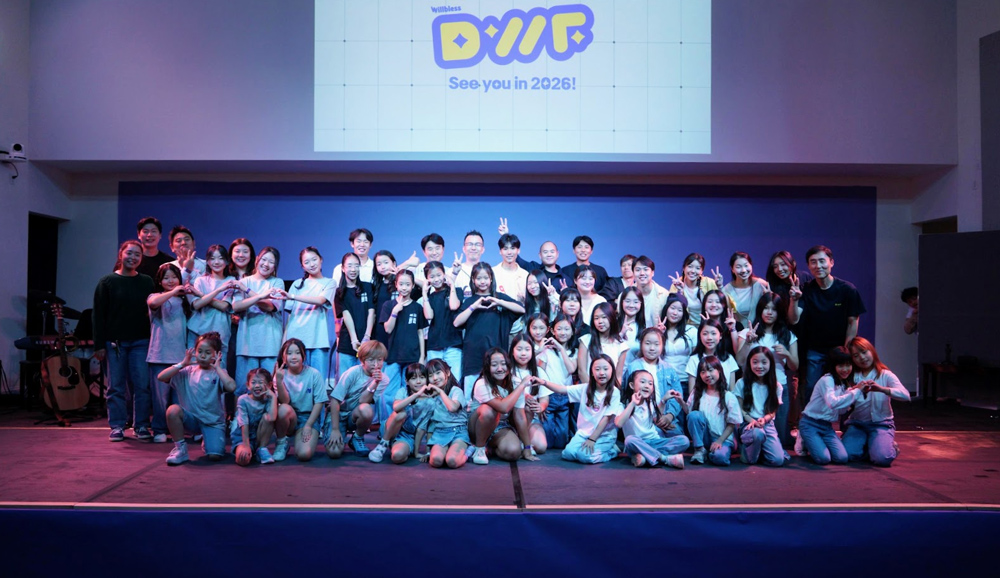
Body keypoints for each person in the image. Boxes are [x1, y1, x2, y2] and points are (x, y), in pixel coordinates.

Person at [788, 245, 866, 410]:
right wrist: (794, 300)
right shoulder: (806, 289)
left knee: (843, 389)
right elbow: (794, 319)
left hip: (840, 349)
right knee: (811, 388)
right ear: (809, 266)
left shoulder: (847, 290)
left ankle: (845, 423)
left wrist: (846, 351)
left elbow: (853, 322)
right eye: (813, 262)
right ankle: (811, 421)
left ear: (831, 262)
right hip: (815, 350)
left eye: (822, 261)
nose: (818, 266)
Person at [93, 240, 155, 442]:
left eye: (137, 254)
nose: (133, 257)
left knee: (142, 386)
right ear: (121, 254)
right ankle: (117, 425)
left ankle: (141, 425)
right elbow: (98, 315)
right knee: (116, 386)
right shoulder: (107, 282)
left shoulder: (147, 282)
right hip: (115, 343)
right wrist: (99, 345)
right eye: (129, 253)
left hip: (141, 342)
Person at [157, 332, 236, 464]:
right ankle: (180, 449)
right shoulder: (187, 372)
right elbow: (161, 377)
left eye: (208, 352)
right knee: (173, 410)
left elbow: (231, 387)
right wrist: (182, 364)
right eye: (200, 351)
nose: (203, 355)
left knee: (215, 456)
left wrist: (218, 368)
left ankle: (208, 439)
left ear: (216, 354)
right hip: (191, 420)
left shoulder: (218, 373)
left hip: (212, 422)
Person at [453, 262, 525, 390]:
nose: (482, 281)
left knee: (499, 395)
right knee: (471, 397)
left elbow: (521, 309)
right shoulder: (470, 301)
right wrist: (474, 306)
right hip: (473, 359)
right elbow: (456, 322)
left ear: (491, 278)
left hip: (497, 360)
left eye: (485, 278)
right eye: (479, 278)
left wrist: (499, 302)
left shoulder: (499, 298)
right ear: (473, 280)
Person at [542, 354, 624, 464]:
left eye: (605, 369)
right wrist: (544, 382)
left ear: (612, 371)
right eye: (597, 369)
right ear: (592, 372)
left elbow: (606, 419)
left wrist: (592, 439)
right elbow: (562, 389)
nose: (601, 373)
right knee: (568, 454)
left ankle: (612, 451)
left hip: (604, 435)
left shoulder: (614, 392)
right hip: (584, 434)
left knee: (585, 457)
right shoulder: (585, 388)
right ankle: (593, 449)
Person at [844, 337, 910, 467]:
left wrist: (882, 389)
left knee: (882, 458)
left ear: (872, 351)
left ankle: (888, 447)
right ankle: (872, 446)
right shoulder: (852, 376)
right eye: (856, 356)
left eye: (864, 352)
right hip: (857, 424)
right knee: (846, 455)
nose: (862, 357)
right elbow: (842, 401)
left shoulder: (885, 374)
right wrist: (854, 390)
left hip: (881, 424)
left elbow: (906, 395)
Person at [271, 247, 335, 380]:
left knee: (317, 381)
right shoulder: (297, 284)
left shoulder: (329, 282)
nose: (312, 264)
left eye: (314, 259)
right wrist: (284, 342)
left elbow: (320, 300)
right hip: (296, 341)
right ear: (302, 266)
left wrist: (292, 296)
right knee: (295, 382)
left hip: (318, 340)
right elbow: (290, 318)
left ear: (321, 260)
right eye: (307, 262)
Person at [466, 348, 538, 465]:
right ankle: (479, 449)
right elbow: (503, 407)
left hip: (501, 425)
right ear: (487, 367)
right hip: (478, 426)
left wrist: (527, 447)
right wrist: (521, 386)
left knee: (514, 452)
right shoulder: (481, 383)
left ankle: (492, 449)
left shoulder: (515, 382)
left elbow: (519, 415)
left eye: (503, 364)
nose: (500, 369)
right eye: (494, 365)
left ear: (509, 366)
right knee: (489, 410)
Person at [146, 263, 192, 443]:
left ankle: (179, 430)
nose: (171, 281)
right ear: (160, 281)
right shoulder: (155, 296)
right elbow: (153, 303)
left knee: (179, 398)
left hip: (180, 356)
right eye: (166, 278)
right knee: (160, 399)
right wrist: (173, 292)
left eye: (174, 277)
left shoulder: (184, 300)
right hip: (159, 355)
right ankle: (159, 429)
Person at [378, 269, 427, 429]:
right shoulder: (389, 305)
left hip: (412, 356)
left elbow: (420, 333)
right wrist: (394, 312)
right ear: (396, 285)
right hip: (393, 356)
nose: (404, 287)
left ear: (412, 286)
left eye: (407, 284)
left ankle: (407, 429)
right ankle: (387, 428)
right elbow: (387, 329)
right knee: (388, 394)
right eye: (401, 284)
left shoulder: (417, 307)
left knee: (409, 394)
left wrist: (422, 357)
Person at [232, 247, 284, 393]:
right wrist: (260, 296)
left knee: (269, 389)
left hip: (270, 343)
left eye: (271, 262)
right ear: (257, 260)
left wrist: (247, 291)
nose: (266, 264)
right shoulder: (244, 281)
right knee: (243, 388)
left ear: (275, 266)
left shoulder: (277, 282)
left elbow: (270, 306)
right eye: (264, 259)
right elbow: (236, 306)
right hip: (247, 344)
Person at [675, 356, 743, 466]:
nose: (707, 375)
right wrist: (681, 402)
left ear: (719, 370)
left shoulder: (728, 396)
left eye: (710, 370)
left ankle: (712, 453)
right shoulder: (697, 392)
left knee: (720, 458)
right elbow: (690, 414)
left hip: (722, 438)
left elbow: (732, 424)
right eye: (703, 372)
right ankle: (700, 449)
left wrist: (720, 441)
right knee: (694, 415)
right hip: (705, 437)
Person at [797, 347, 859, 465]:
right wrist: (856, 392)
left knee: (842, 458)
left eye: (848, 365)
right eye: (840, 366)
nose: (845, 369)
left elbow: (841, 411)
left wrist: (850, 393)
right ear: (833, 365)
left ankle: (817, 442)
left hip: (826, 426)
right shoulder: (827, 380)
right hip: (810, 423)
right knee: (823, 459)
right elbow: (832, 403)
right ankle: (804, 439)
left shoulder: (843, 383)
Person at [327, 341, 390, 459]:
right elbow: (335, 400)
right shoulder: (353, 373)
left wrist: (375, 382)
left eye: (380, 360)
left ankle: (357, 437)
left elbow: (363, 401)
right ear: (363, 360)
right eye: (371, 360)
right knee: (334, 452)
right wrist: (335, 429)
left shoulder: (383, 379)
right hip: (338, 414)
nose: (376, 364)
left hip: (354, 415)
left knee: (366, 409)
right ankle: (335, 430)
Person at [617, 368, 688, 468]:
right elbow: (619, 423)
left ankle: (645, 456)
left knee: (684, 441)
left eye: (650, 383)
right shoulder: (624, 404)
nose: (647, 386)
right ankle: (664, 458)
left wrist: (663, 400)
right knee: (629, 440)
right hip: (638, 443)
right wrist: (633, 403)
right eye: (643, 382)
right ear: (632, 385)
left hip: (654, 441)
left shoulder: (650, 403)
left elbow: (657, 420)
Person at [369, 362, 435, 464]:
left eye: (422, 377)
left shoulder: (430, 402)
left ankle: (396, 446)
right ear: (407, 381)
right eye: (413, 378)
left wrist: (416, 452)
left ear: (426, 379)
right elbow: (396, 408)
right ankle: (383, 444)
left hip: (406, 436)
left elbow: (421, 429)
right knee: (401, 414)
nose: (418, 381)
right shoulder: (402, 391)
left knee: (397, 456)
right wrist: (416, 395)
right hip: (390, 428)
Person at [272, 338, 326, 462]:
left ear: (303, 356)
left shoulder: (314, 374)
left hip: (308, 417)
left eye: (297, 353)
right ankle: (282, 442)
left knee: (304, 454)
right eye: (289, 353)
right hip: (290, 416)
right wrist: (279, 381)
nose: (293, 357)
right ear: (283, 357)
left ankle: (300, 438)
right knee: (283, 409)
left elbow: (319, 403)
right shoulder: (280, 374)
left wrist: (308, 425)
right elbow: (285, 402)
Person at [734, 347, 788, 467]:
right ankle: (747, 454)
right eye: (755, 362)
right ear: (749, 363)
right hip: (747, 423)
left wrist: (764, 419)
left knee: (777, 460)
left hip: (766, 423)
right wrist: (752, 421)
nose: (759, 366)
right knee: (757, 434)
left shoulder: (776, 386)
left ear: (770, 364)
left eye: (764, 362)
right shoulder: (742, 383)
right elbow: (739, 409)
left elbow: (773, 411)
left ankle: (759, 450)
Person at [189, 245, 238, 364]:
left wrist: (201, 294)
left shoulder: (231, 281)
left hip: (220, 331)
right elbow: (197, 305)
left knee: (218, 368)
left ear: (227, 261)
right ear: (207, 261)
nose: (216, 262)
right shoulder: (200, 280)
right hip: (198, 330)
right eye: (212, 258)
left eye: (220, 258)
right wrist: (218, 290)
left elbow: (223, 306)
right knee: (194, 369)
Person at [333, 252, 376, 378]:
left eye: (356, 265)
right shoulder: (340, 292)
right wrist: (354, 340)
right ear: (343, 268)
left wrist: (367, 337)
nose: (353, 269)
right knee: (345, 380)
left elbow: (371, 312)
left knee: (366, 380)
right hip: (347, 342)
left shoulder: (368, 287)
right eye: (350, 266)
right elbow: (346, 315)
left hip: (367, 342)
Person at [498, 217, 572, 288]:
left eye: (552, 252)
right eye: (545, 252)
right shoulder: (534, 269)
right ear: (540, 255)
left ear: (557, 254)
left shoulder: (566, 280)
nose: (549, 255)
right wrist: (505, 236)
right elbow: (515, 257)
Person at [423, 358, 471, 468]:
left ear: (447, 373)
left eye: (438, 373)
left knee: (452, 461)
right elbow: (431, 424)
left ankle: (468, 452)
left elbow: (453, 407)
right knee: (435, 461)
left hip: (458, 431)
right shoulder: (432, 397)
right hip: (440, 432)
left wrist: (440, 392)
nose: (435, 378)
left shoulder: (456, 391)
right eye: (430, 375)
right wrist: (428, 451)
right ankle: (447, 451)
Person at [422, 261, 463, 382]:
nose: (436, 279)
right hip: (434, 345)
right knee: (434, 380)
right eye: (432, 276)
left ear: (444, 275)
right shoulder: (430, 297)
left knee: (454, 379)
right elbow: (428, 316)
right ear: (427, 279)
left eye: (439, 275)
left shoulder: (457, 291)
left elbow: (454, 306)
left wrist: (452, 285)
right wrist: (424, 293)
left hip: (453, 343)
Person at [232, 368, 278, 466]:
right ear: (248, 385)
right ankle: (251, 450)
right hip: (243, 438)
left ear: (269, 385)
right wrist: (246, 446)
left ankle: (261, 448)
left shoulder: (269, 399)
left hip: (259, 437)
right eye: (253, 383)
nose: (257, 386)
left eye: (261, 382)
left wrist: (273, 397)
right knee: (243, 459)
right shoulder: (243, 400)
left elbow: (272, 418)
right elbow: (244, 424)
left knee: (267, 417)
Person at [668, 252, 721, 327]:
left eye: (697, 268)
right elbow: (671, 310)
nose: (693, 271)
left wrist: (720, 286)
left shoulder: (709, 283)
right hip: (685, 327)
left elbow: (722, 305)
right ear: (684, 268)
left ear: (702, 271)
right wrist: (680, 292)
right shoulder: (676, 284)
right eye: (690, 266)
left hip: (707, 326)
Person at [720, 251, 770, 327]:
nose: (743, 270)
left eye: (746, 265)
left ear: (751, 265)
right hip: (737, 331)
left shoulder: (761, 285)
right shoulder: (727, 290)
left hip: (760, 330)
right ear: (732, 269)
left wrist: (769, 296)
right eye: (738, 267)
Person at [633, 255, 670, 329]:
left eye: (646, 269)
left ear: (652, 273)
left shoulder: (664, 295)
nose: (642, 273)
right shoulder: (625, 295)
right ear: (633, 273)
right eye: (638, 270)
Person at [493, 233, 529, 302]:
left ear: (518, 250)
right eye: (505, 249)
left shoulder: (525, 275)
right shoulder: (492, 273)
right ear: (500, 251)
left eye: (512, 248)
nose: (509, 252)